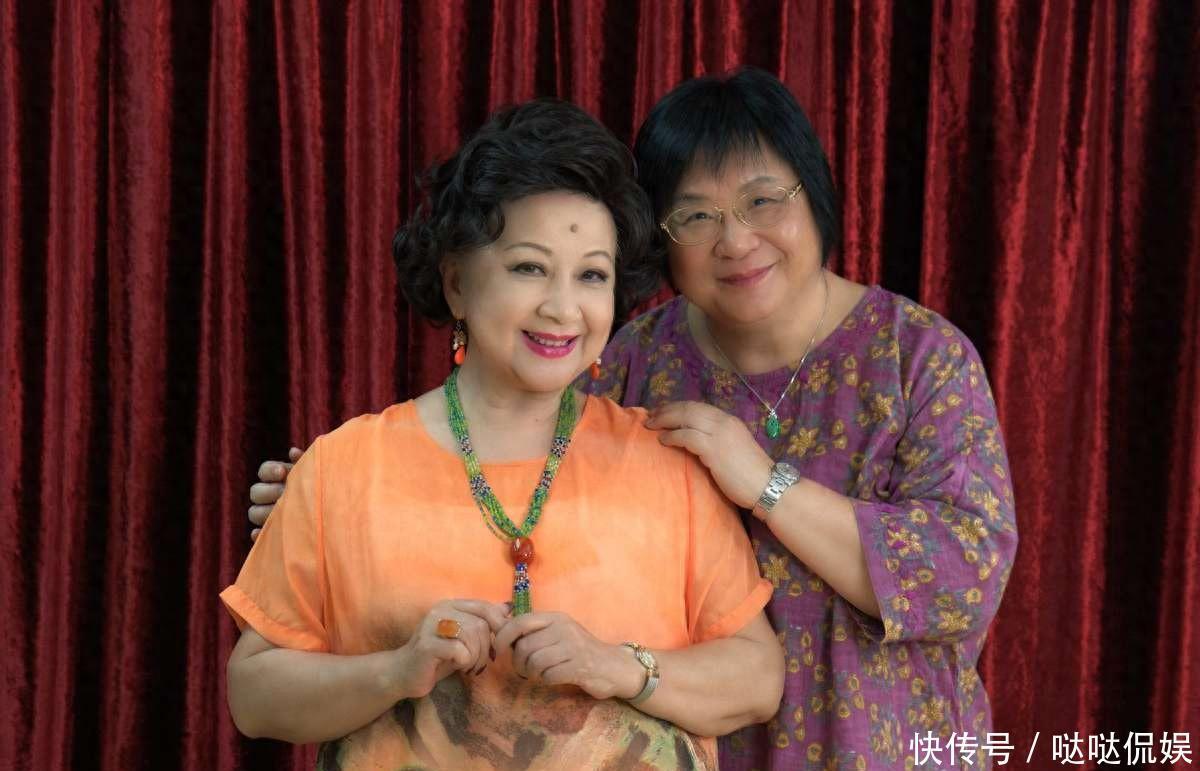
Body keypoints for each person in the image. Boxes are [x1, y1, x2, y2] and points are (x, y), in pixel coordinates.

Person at [250, 69, 1018, 770]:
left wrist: (765, 484)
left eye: (762, 200)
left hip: (882, 747)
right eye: (696, 214)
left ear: (813, 195)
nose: (735, 239)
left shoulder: (916, 356)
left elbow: (963, 581)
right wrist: (339, 503)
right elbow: (518, 447)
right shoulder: (636, 358)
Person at [224, 98, 784, 771]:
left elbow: (758, 678)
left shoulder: (671, 466)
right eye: (529, 267)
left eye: (591, 275)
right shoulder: (341, 466)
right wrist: (397, 670)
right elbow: (253, 694)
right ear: (457, 283)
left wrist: (618, 665)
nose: (562, 307)